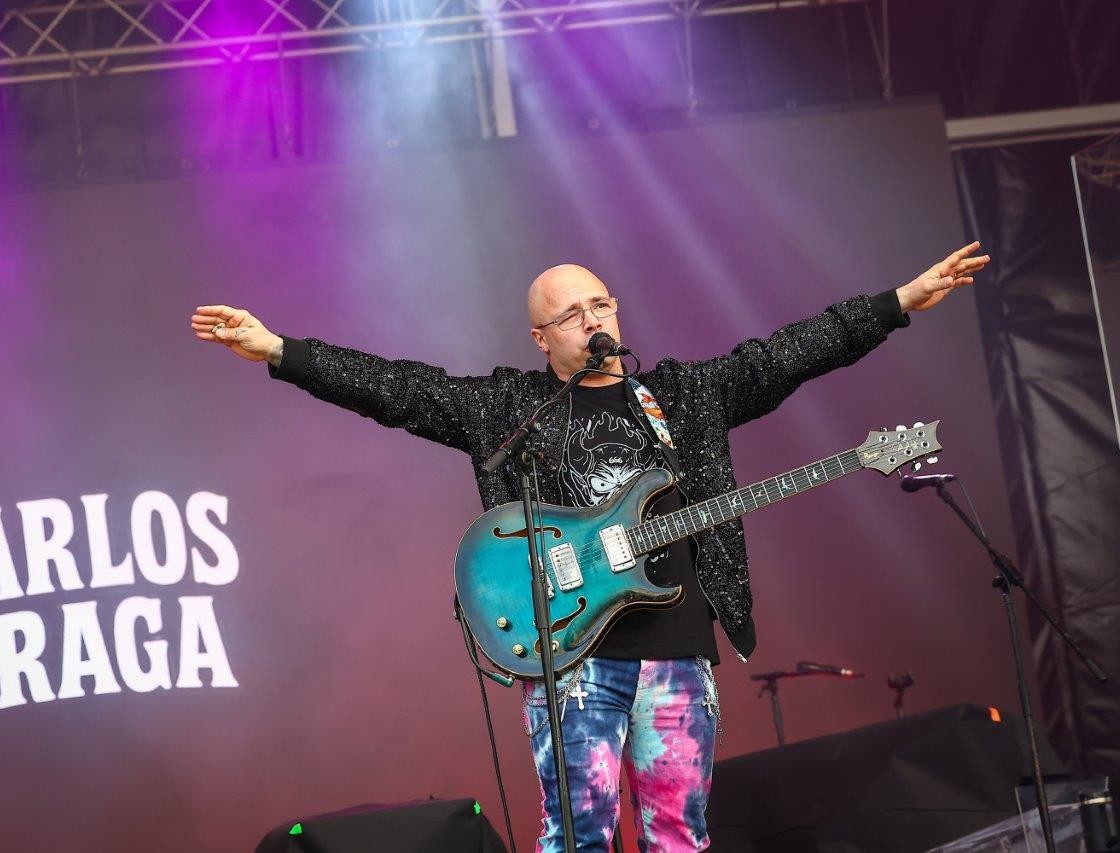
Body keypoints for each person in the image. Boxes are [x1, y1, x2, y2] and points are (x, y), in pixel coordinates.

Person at [189, 243, 989, 852]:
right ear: (542, 336)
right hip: (573, 657)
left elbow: (789, 352)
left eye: (600, 303)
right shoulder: (510, 407)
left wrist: (898, 302)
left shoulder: (683, 396)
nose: (592, 318)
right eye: (571, 313)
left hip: (677, 654)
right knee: (577, 837)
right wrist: (280, 349)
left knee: (680, 836)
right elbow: (399, 389)